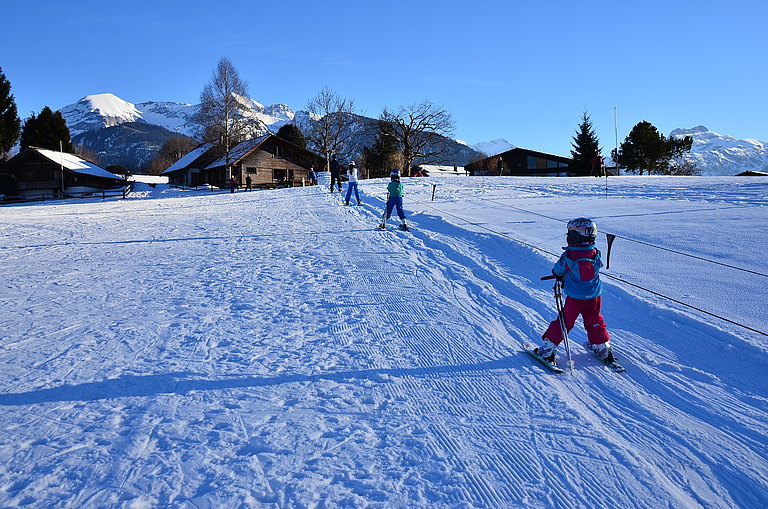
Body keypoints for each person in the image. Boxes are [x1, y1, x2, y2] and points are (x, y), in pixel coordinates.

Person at [535, 218, 614, 364]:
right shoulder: (595, 252)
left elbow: (558, 269)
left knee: (565, 321)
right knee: (595, 320)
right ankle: (603, 347)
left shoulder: (569, 255)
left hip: (575, 298)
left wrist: (558, 274)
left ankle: (548, 349)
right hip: (594, 296)